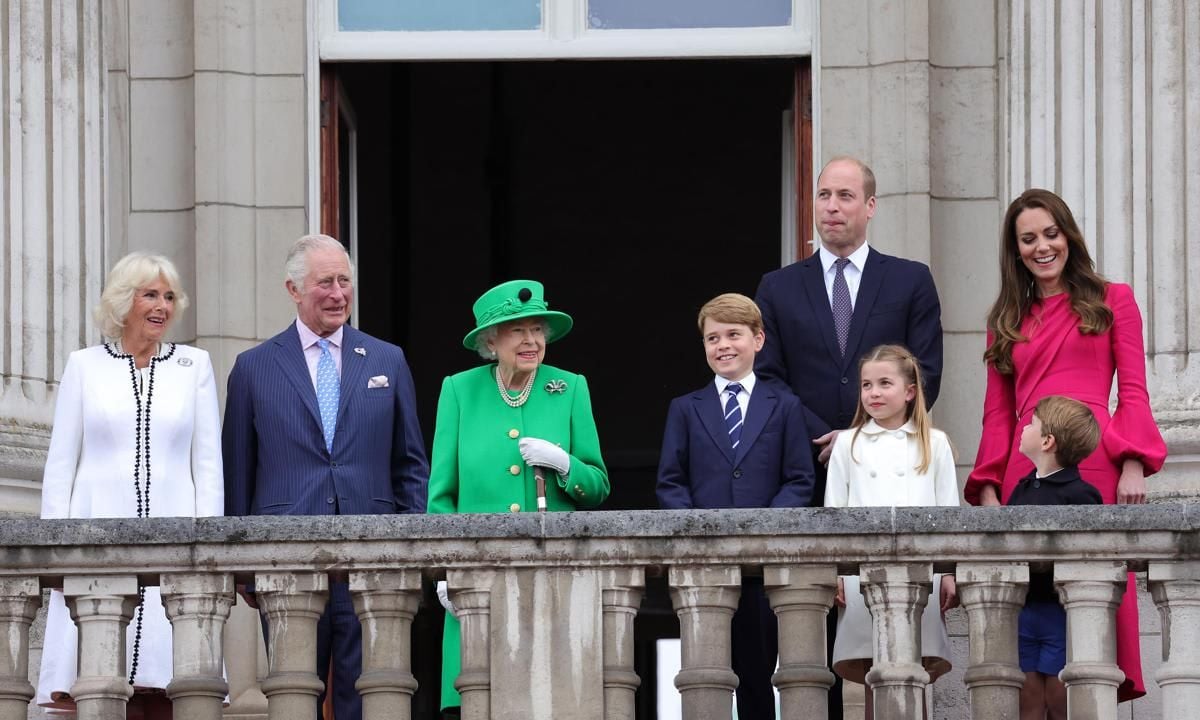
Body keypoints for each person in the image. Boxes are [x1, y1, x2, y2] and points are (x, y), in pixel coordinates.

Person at [755, 155, 944, 717]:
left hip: (888, 480)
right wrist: (830, 438)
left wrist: (860, 436)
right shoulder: (779, 286)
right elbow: (768, 376)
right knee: (810, 630)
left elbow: (926, 368)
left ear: (870, 206)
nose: (831, 207)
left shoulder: (909, 279)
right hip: (805, 475)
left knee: (889, 640)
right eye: (823, 196)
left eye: (844, 196)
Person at [964, 188, 1167, 701]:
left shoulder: (1113, 298)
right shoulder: (1005, 320)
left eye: (1050, 234)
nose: (1042, 247)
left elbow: (1135, 392)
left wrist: (1134, 463)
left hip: (1094, 464)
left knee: (1089, 625)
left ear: (1068, 236)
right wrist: (988, 483)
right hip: (1024, 471)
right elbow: (996, 412)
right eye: (1028, 239)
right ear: (1016, 250)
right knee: (1029, 639)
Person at [223, 234, 429, 720]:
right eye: (324, 283)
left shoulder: (387, 360)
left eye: (344, 281)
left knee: (370, 694)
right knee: (294, 696)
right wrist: (243, 565)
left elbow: (410, 465)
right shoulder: (253, 369)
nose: (338, 294)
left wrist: (411, 546)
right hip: (286, 562)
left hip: (373, 560)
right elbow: (238, 472)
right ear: (293, 289)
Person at [38, 252, 223, 719]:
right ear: (125, 302)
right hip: (93, 535)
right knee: (92, 685)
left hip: (176, 541)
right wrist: (52, 553)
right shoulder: (84, 366)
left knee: (168, 685)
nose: (162, 306)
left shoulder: (194, 365)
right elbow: (61, 465)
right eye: (150, 295)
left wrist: (212, 551)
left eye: (168, 296)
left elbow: (208, 466)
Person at [428, 279, 609, 716]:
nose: (532, 341)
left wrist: (565, 464)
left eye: (538, 330)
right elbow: (441, 497)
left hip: (553, 581)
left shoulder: (569, 388)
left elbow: (598, 485)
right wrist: (443, 570)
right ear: (491, 341)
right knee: (477, 698)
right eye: (518, 330)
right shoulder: (458, 390)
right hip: (478, 583)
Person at [656, 292, 816, 719]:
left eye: (733, 335)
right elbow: (671, 482)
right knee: (706, 671)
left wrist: (766, 528)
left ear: (758, 340)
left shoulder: (784, 405)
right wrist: (696, 531)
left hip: (765, 567)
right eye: (713, 338)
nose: (723, 345)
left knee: (760, 670)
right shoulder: (685, 409)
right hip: (706, 565)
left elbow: (799, 479)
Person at [824, 344, 958, 720]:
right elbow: (834, 513)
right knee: (873, 671)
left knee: (917, 668)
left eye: (885, 383)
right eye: (867, 385)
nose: (874, 393)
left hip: (921, 573)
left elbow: (948, 511)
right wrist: (835, 571)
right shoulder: (848, 443)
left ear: (910, 391)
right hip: (863, 576)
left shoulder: (936, 442)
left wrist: (948, 571)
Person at [1007, 395, 1103, 720]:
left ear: (1047, 441)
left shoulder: (1082, 495)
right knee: (1027, 700)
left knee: (1061, 700)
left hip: (1060, 613)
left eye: (1031, 423)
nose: (1024, 427)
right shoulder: (1021, 489)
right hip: (1024, 610)